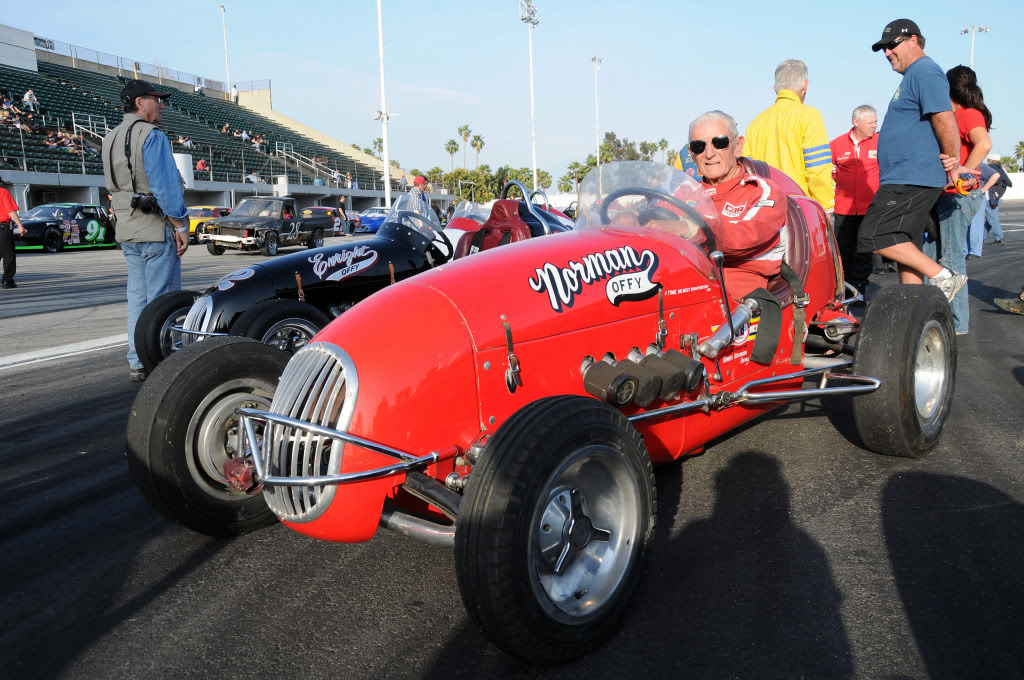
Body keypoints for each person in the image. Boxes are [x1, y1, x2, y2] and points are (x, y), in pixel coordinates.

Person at [856, 19, 969, 305]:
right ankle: (912, 311)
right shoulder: (913, 75)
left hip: (911, 177)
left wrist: (953, 164)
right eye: (884, 48)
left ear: (913, 40)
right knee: (905, 244)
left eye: (892, 45)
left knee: (875, 234)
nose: (887, 53)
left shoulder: (925, 72)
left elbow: (945, 119)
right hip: (906, 175)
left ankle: (944, 277)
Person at [102, 79, 189, 382]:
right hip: (154, 227)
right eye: (156, 99)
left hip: (127, 228)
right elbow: (164, 187)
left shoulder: (110, 136)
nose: (161, 104)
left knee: (137, 299)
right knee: (162, 300)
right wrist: (180, 224)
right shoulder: (152, 136)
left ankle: (137, 360)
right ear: (140, 103)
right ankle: (160, 360)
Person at [921, 64, 991, 335]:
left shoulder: (968, 114)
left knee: (950, 258)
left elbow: (984, 144)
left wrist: (963, 172)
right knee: (930, 256)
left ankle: (958, 323)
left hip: (959, 195)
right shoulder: (951, 115)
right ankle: (934, 315)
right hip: (944, 195)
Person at [688, 110, 788, 296]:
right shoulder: (683, 193)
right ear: (692, 154)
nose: (709, 154)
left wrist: (691, 229)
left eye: (720, 143)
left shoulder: (761, 191)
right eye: (699, 146)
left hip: (739, 290)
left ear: (738, 146)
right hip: (685, 279)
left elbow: (748, 235)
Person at [744, 59, 835, 215]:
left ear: (775, 88)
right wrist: (826, 206)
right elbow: (818, 170)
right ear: (805, 85)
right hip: (800, 209)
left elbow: (747, 171)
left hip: (765, 209)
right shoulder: (809, 116)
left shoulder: (755, 123)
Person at [830, 105, 879, 304]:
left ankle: (859, 289)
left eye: (876, 121)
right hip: (843, 209)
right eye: (871, 122)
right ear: (856, 122)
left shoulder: (881, 143)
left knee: (864, 250)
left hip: (870, 208)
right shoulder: (836, 145)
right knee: (843, 250)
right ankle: (844, 287)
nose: (874, 126)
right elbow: (830, 174)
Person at [964, 161, 998, 259]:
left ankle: (975, 251)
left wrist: (982, 190)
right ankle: (964, 251)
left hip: (975, 195)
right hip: (963, 195)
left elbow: (995, 175)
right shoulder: (961, 163)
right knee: (963, 225)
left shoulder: (979, 164)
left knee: (976, 224)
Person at [0, 175, 28, 289]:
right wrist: (20, 226)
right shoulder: (3, 192)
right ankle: (7, 280)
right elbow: (10, 211)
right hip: (2, 227)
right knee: (8, 255)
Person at [983, 155, 1011, 246]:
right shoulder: (1002, 169)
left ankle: (999, 238)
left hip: (989, 197)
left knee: (992, 217)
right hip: (999, 197)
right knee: (990, 218)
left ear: (990, 160)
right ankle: (982, 237)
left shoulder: (989, 168)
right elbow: (1008, 182)